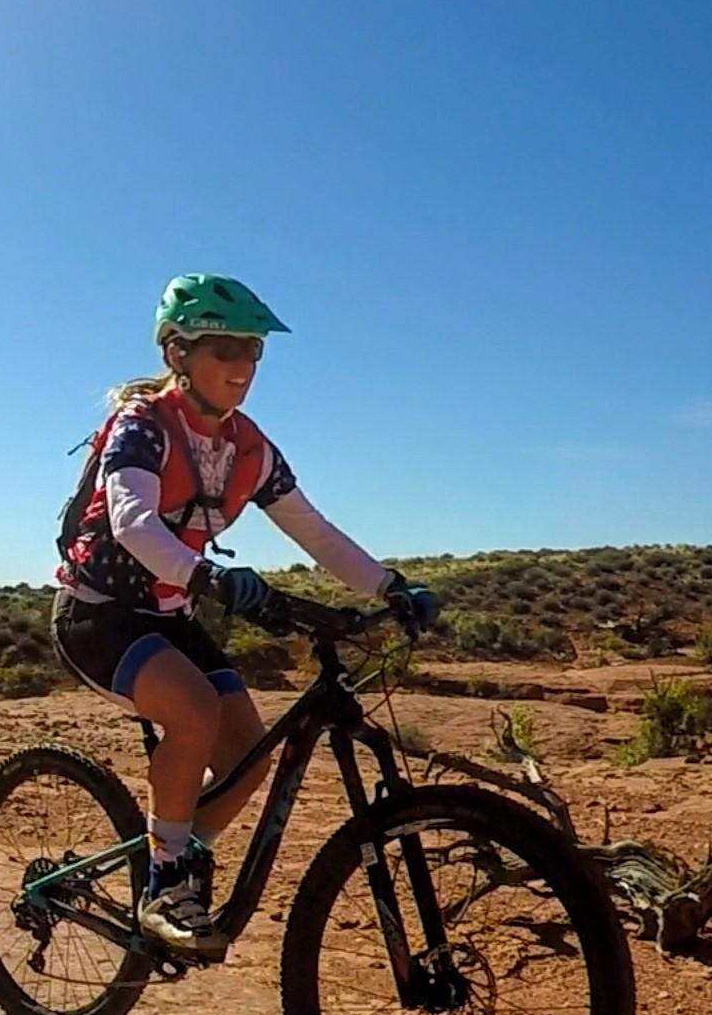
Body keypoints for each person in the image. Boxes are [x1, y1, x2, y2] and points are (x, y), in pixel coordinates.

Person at [53, 274, 438, 951]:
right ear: (178, 353)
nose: (242, 367)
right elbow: (135, 522)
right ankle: (165, 882)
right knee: (194, 713)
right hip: (100, 610)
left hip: (169, 612)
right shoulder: (143, 427)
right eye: (224, 348)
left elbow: (315, 532)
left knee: (249, 754)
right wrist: (209, 576)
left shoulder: (248, 448)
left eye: (253, 351)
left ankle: (174, 849)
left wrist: (389, 586)